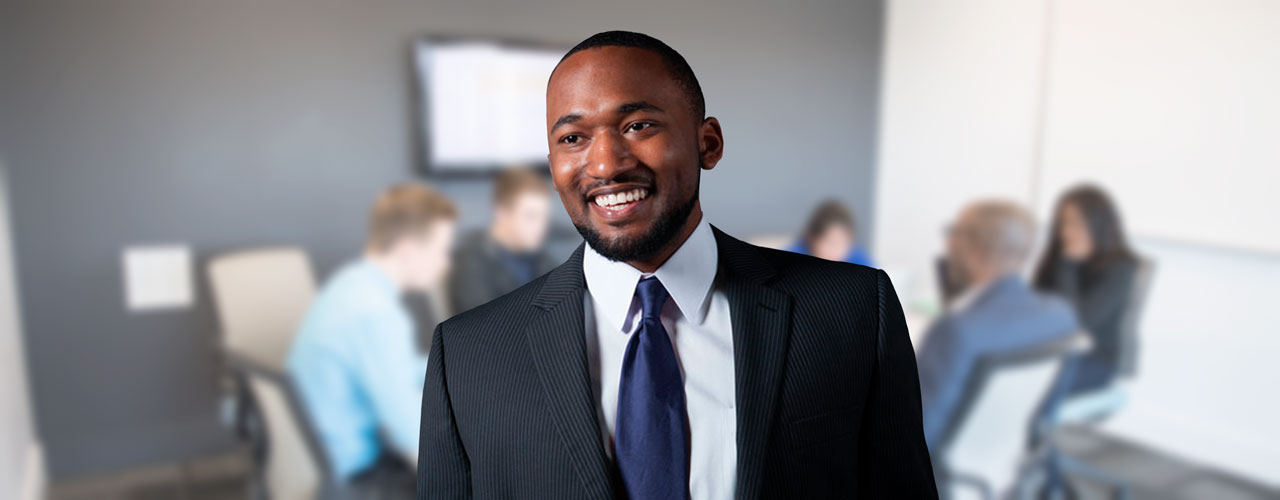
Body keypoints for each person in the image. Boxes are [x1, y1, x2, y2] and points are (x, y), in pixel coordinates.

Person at [418, 31, 937, 499]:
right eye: (573, 138)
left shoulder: (851, 310)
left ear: (707, 143)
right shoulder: (466, 357)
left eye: (638, 125)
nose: (604, 164)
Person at [287, 184, 456, 499]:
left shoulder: (351, 284)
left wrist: (453, 367)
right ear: (408, 249)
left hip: (318, 455)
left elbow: (397, 368)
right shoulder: (375, 314)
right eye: (441, 250)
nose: (445, 263)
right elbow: (410, 433)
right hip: (354, 476)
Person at [915, 201, 1079, 450]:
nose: (947, 244)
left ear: (975, 251)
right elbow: (1045, 415)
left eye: (953, 233)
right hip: (1007, 465)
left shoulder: (956, 332)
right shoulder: (1060, 315)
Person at [1033, 184, 1139, 395]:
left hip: (1094, 362)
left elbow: (1078, 322)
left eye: (1076, 224)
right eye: (1063, 224)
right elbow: (1035, 304)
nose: (1066, 232)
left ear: (1099, 224)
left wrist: (1068, 266)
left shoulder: (1120, 267)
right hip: (1050, 352)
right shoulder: (1057, 258)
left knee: (1029, 385)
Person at [449, 167, 557, 314]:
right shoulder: (471, 263)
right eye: (531, 216)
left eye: (544, 217)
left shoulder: (542, 260)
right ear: (501, 212)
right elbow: (482, 327)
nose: (541, 226)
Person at [785, 199, 875, 267]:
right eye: (831, 243)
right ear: (812, 238)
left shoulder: (859, 260)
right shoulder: (792, 260)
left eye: (843, 243)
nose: (836, 250)